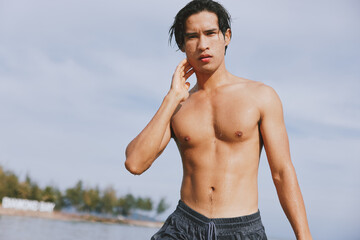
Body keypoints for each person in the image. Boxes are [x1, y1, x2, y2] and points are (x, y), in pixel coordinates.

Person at [125, 0, 312, 239]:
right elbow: (134, 163)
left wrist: (303, 235)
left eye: (210, 33)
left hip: (241, 230)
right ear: (183, 45)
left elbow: (282, 172)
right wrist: (171, 98)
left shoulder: (260, 96)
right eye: (192, 37)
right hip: (184, 226)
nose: (203, 45)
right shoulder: (177, 106)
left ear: (227, 36)